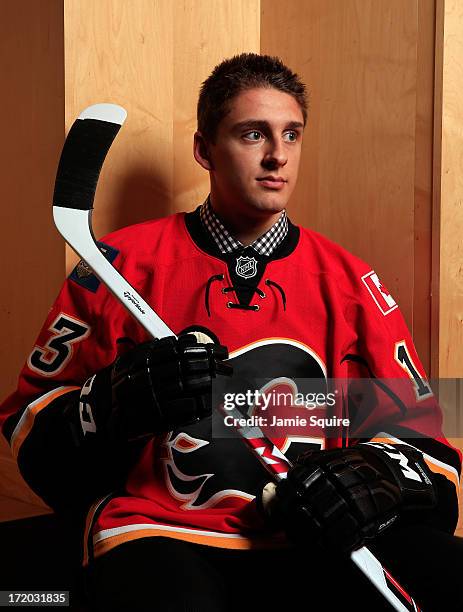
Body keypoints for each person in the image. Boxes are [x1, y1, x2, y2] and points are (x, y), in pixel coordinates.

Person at [1, 53, 462, 611]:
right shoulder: (119, 265)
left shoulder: (351, 281)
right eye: (253, 134)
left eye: (291, 135)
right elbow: (27, 424)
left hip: (312, 537)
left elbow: (427, 444)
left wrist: (376, 474)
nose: (277, 156)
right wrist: (114, 402)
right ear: (204, 150)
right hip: (162, 531)